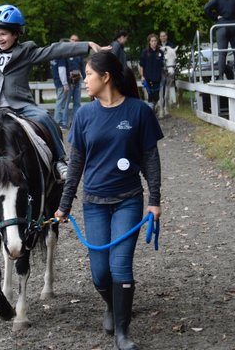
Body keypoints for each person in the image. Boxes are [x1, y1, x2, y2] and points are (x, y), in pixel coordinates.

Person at [0, 4, 108, 203]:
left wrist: (86, 45)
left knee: (46, 119)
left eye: (3, 34)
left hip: (20, 104)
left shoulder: (27, 52)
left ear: (15, 34)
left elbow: (54, 50)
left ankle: (59, 161)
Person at [54, 51, 163, 350]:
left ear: (105, 77)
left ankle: (123, 334)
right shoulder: (84, 115)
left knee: (120, 266)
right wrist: (64, 206)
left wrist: (154, 200)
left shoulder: (139, 111)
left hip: (128, 200)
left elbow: (151, 160)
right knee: (99, 272)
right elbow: (75, 165)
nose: (84, 79)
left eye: (88, 74)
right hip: (94, 204)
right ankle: (113, 307)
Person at [64, 34, 87, 128]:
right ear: (69, 40)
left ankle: (75, 124)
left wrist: (85, 79)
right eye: (73, 39)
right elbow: (62, 68)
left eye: (76, 40)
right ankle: (64, 124)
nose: (74, 41)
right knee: (66, 103)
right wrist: (65, 81)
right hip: (68, 82)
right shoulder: (65, 52)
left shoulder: (79, 53)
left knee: (77, 103)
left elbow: (82, 67)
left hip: (77, 81)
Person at [139, 33, 164, 110]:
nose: (154, 42)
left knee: (157, 97)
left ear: (157, 41)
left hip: (158, 78)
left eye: (155, 41)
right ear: (149, 42)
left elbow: (162, 66)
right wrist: (142, 76)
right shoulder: (145, 52)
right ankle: (151, 112)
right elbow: (141, 65)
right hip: (148, 78)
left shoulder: (160, 52)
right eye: (152, 41)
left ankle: (153, 107)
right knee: (150, 96)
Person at [50, 40, 70, 129]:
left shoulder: (53, 56)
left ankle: (58, 122)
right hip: (61, 83)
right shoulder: (61, 56)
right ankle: (58, 123)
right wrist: (65, 84)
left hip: (56, 81)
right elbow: (62, 70)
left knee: (59, 102)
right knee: (61, 103)